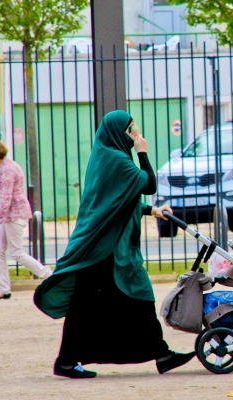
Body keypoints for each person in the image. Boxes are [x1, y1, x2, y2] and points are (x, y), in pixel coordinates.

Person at [34, 110, 195, 379]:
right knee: (97, 303)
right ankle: (65, 361)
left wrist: (149, 211)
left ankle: (161, 353)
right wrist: (143, 153)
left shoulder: (104, 156)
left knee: (123, 300)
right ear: (118, 132)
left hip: (106, 246)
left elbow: (114, 200)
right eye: (131, 130)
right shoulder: (116, 159)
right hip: (102, 249)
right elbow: (149, 185)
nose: (136, 135)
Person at [0, 140, 53, 300]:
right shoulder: (6, 167)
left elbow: (6, 199)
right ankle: (3, 288)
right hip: (8, 216)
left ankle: (48, 274)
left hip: (14, 215)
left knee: (16, 252)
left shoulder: (7, 170)